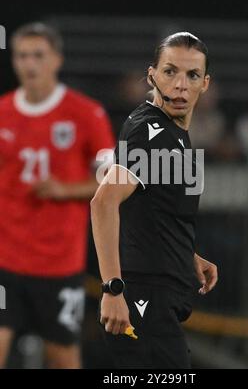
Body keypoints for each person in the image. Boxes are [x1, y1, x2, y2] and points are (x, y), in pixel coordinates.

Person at [91, 32, 218, 369]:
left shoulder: (170, 131)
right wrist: (113, 290)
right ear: (152, 75)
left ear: (205, 83)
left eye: (191, 75)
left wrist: (187, 254)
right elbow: (103, 203)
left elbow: (148, 208)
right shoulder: (152, 131)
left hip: (160, 295)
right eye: (170, 71)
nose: (180, 85)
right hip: (143, 297)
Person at [0, 23, 115, 368]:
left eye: (38, 55)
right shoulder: (2, 111)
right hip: (5, 259)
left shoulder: (85, 114)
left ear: (56, 60)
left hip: (59, 263)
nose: (29, 64)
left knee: (62, 357)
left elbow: (112, 179)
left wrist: (66, 190)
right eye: (22, 55)